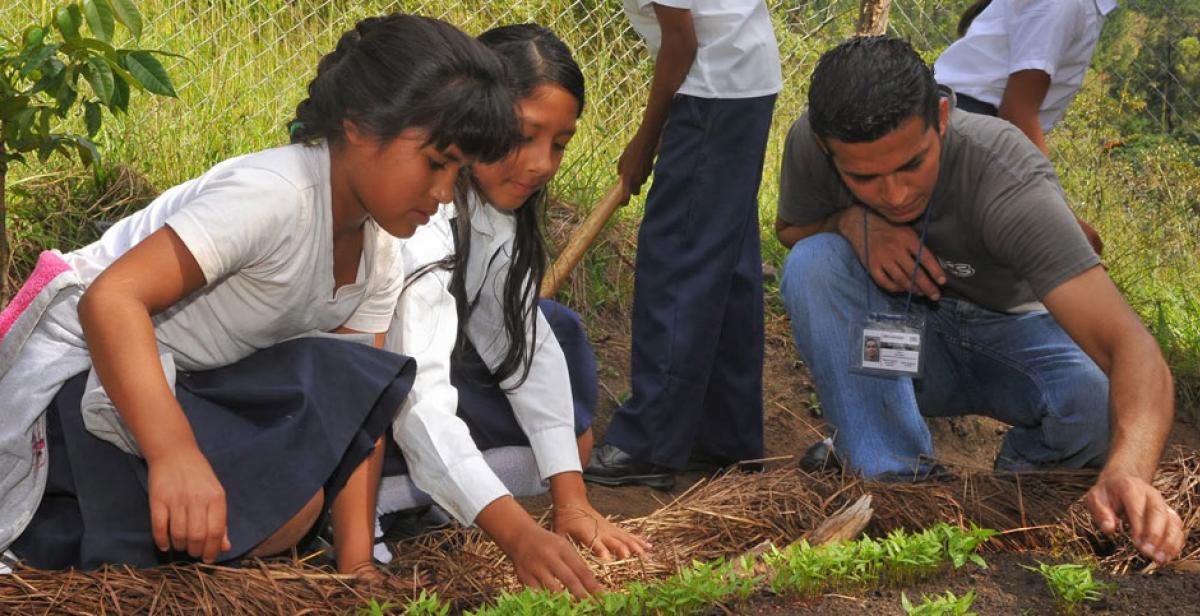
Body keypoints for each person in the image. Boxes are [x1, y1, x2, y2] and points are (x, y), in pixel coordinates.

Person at [0, 13, 519, 580]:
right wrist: (175, 454)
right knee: (271, 499)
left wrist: (357, 562)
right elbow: (109, 299)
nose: (444, 194)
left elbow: (353, 408)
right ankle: (74, 509)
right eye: (435, 163)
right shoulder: (274, 196)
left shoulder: (379, 251)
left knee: (306, 473)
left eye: (459, 173)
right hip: (90, 379)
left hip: (188, 382)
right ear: (361, 127)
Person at [775, 36, 1183, 564]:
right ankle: (894, 485)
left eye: (911, 164)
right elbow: (792, 230)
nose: (895, 194)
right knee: (814, 262)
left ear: (942, 117)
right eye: (864, 179)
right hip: (904, 341)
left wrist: (1127, 474)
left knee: (1092, 404)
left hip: (1012, 340)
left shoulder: (1005, 176)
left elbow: (1132, 346)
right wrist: (849, 221)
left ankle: (1011, 498)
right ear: (829, 151)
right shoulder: (812, 141)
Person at [382, 24, 650, 598]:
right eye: (525, 135)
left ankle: (439, 489)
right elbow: (416, 396)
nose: (541, 164)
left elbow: (524, 347)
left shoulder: (491, 215)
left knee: (560, 339)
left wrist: (570, 501)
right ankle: (379, 503)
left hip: (415, 383)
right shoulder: (417, 218)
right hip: (365, 401)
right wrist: (519, 536)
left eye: (559, 143)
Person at [583, 0, 781, 491]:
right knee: (725, 260)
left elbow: (682, 41)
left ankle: (650, 440)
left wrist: (645, 143)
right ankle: (724, 435)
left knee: (678, 260)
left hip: (712, 86)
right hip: (741, 78)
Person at [934, 0, 1118, 254]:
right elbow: (1017, 112)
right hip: (968, 129)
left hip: (973, 125)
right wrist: (1062, 218)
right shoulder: (1066, 4)